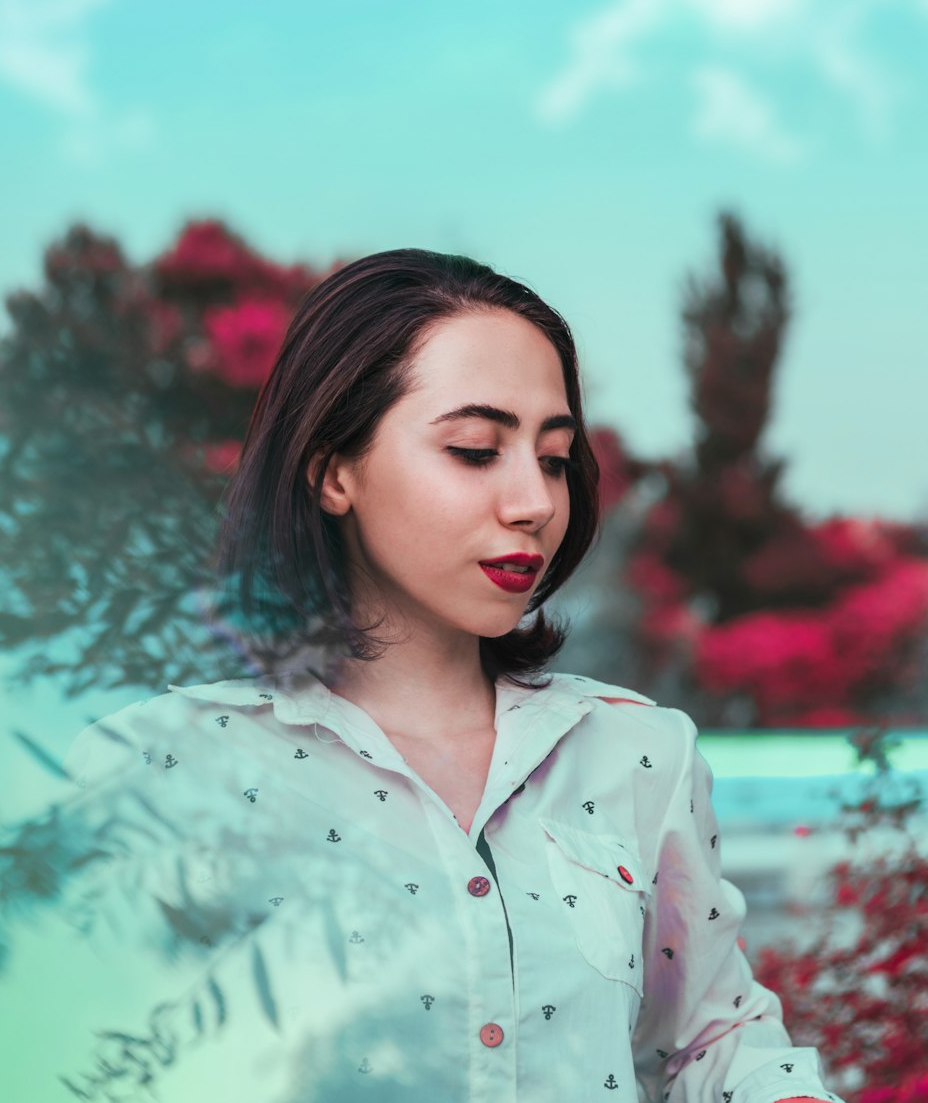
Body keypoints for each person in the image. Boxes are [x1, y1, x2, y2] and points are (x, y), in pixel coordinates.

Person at [64, 248, 844, 1103]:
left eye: (553, 458)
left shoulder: (638, 754)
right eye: (476, 449)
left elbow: (709, 1039)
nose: (536, 502)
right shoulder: (158, 769)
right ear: (333, 470)